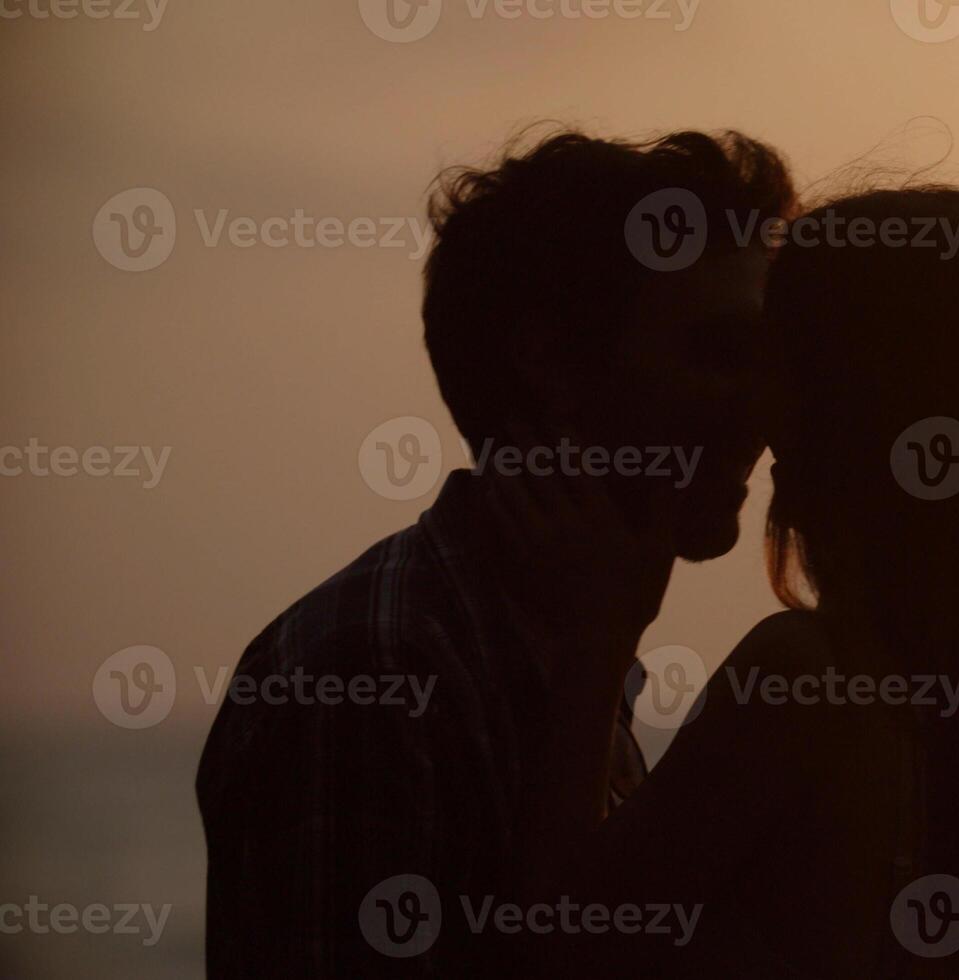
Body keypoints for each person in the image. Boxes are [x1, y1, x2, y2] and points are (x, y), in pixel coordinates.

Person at [194, 127, 794, 977]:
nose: (760, 411)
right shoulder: (373, 673)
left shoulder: (565, 645)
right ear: (550, 364)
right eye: (717, 355)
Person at [521, 188, 959, 978]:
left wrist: (596, 642)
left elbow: (553, 948)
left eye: (777, 354)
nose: (753, 405)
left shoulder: (804, 682)